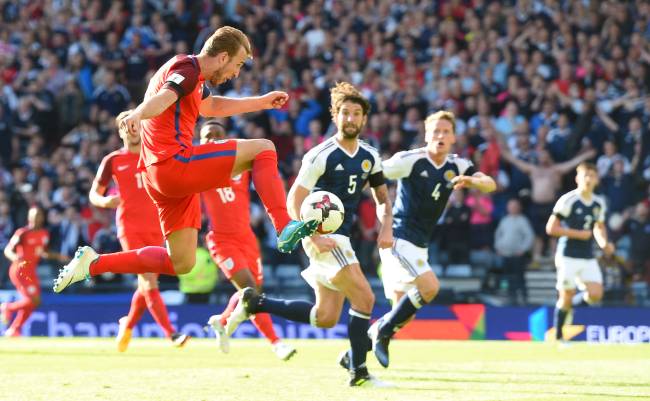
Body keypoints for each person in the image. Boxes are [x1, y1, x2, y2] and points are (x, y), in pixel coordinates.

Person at [53, 26, 319, 293]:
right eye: (237, 65)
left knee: (181, 261)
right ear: (223, 57)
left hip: (159, 177)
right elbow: (162, 98)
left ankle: (93, 263)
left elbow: (211, 107)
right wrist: (137, 114)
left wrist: (260, 102)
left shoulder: (193, 76)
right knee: (264, 149)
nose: (235, 74)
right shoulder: (188, 71)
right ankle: (284, 225)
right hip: (174, 163)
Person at [225, 82, 394, 387]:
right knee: (365, 297)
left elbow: (382, 198)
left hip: (341, 238)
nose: (351, 118)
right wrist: (311, 236)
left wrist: (386, 225)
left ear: (364, 119)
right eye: (345, 113)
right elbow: (293, 200)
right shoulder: (321, 155)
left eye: (357, 113)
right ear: (335, 116)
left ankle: (254, 303)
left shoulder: (371, 157)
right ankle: (359, 373)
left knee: (325, 317)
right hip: (324, 238)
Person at [341, 111, 496, 369]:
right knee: (430, 287)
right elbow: (376, 172)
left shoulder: (458, 165)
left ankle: (355, 352)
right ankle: (383, 332)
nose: (440, 136)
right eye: (435, 131)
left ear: (454, 137)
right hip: (399, 238)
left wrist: (473, 181)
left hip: (420, 245)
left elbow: (489, 184)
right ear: (426, 135)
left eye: (446, 131)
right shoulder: (410, 160)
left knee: (404, 313)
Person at [89, 110, 189, 351]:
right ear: (121, 131)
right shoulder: (112, 160)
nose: (132, 129)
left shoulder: (155, 155)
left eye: (136, 124)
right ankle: (171, 334)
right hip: (130, 228)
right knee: (148, 279)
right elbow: (94, 193)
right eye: (127, 126)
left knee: (146, 283)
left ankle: (128, 324)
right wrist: (105, 202)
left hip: (158, 226)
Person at [200, 120, 296, 360]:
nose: (212, 139)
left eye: (217, 135)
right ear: (200, 142)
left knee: (254, 294)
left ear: (227, 139)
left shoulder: (241, 164)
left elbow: (267, 170)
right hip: (221, 241)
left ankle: (222, 321)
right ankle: (277, 344)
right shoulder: (197, 170)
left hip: (247, 238)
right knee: (250, 290)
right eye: (207, 136)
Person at [545, 162, 614, 342]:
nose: (589, 179)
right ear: (578, 178)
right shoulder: (568, 200)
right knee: (565, 295)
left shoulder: (599, 203)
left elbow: (599, 227)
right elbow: (551, 228)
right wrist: (577, 234)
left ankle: (572, 304)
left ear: (597, 179)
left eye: (592, 175)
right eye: (585, 175)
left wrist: (604, 243)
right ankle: (559, 336)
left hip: (587, 255)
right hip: (568, 254)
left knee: (596, 294)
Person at [1, 206, 68, 337]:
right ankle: (7, 308)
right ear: (29, 217)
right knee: (32, 300)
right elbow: (7, 250)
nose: (37, 218)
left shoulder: (44, 234)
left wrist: (59, 257)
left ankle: (15, 329)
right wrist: (16, 258)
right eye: (34, 215)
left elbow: (43, 253)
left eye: (39, 215)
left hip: (31, 272)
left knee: (35, 302)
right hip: (20, 270)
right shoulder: (22, 233)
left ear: (42, 218)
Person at [494, 198, 535, 305]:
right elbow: (498, 235)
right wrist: (498, 248)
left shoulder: (523, 220)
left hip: (517, 255)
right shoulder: (504, 220)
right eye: (510, 206)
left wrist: (523, 249)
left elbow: (529, 236)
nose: (512, 208)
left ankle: (523, 298)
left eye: (515, 206)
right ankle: (510, 297)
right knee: (507, 277)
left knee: (519, 277)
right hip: (505, 254)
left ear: (519, 207)